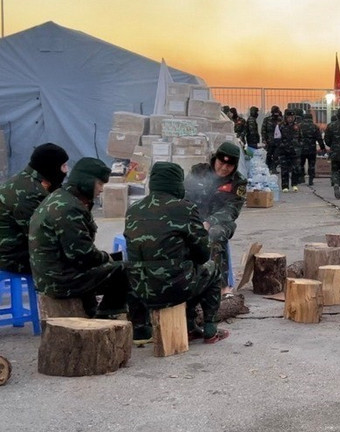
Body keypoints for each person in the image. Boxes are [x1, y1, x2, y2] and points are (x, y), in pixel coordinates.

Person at [126, 162, 228, 345]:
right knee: (211, 268)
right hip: (173, 289)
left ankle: (141, 330)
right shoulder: (185, 209)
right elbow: (203, 254)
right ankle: (210, 329)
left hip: (139, 289)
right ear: (177, 183)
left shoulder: (133, 210)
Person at [29, 157, 129, 318]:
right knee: (126, 270)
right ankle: (106, 316)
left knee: (111, 265)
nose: (101, 189)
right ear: (87, 181)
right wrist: (106, 257)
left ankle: (94, 311)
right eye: (100, 184)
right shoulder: (68, 209)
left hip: (54, 274)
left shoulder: (61, 197)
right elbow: (82, 256)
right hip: (60, 281)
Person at [185, 142, 247, 292]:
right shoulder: (198, 171)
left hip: (221, 222)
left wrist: (209, 222)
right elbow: (184, 197)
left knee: (215, 234)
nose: (224, 168)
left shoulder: (238, 182)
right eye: (221, 163)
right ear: (215, 159)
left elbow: (231, 210)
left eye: (229, 166)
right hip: (195, 218)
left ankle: (220, 286)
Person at [0, 143, 69, 274]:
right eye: (63, 166)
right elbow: (42, 236)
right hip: (12, 259)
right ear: (51, 168)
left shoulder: (26, 180)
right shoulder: (30, 194)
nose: (66, 171)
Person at [277, 109, 301, 192]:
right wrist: (281, 146)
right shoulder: (280, 126)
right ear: (285, 117)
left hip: (294, 151)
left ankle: (294, 184)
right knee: (284, 169)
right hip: (283, 150)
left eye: (292, 117)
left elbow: (301, 137)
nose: (290, 119)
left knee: (296, 169)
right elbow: (277, 138)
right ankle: (285, 186)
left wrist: (299, 146)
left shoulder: (297, 126)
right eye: (288, 117)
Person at [299, 109, 325, 186]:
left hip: (301, 148)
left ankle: (302, 177)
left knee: (301, 164)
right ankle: (311, 179)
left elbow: (296, 137)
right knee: (312, 164)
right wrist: (322, 148)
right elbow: (319, 138)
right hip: (311, 149)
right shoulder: (314, 127)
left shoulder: (300, 126)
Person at [261, 105, 283, 173]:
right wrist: (264, 140)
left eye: (277, 112)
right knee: (269, 155)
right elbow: (263, 130)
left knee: (276, 156)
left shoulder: (281, 120)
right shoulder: (267, 120)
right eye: (275, 112)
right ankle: (268, 168)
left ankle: (274, 168)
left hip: (278, 141)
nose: (276, 113)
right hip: (269, 141)